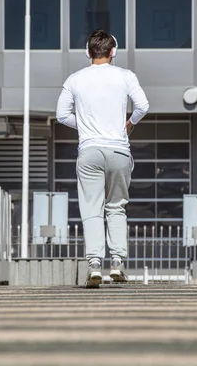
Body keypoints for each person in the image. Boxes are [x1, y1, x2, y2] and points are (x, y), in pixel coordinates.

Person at [56, 29, 149, 288]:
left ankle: (95, 265)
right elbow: (143, 105)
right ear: (113, 52)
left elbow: (61, 115)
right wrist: (128, 124)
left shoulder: (75, 79)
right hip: (119, 150)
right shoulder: (125, 76)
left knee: (91, 209)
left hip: (89, 152)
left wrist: (85, 126)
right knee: (116, 206)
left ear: (88, 52)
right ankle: (117, 263)